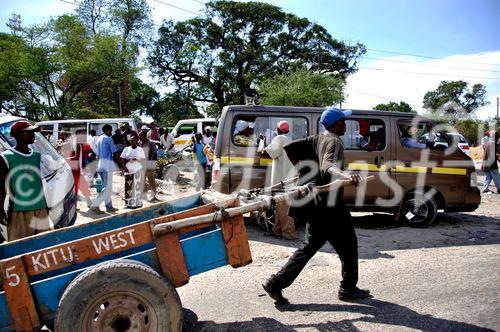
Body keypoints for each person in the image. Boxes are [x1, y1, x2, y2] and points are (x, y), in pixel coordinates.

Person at [262, 107, 370, 305]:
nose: (346, 125)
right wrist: (346, 175)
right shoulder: (334, 142)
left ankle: (276, 283)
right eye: (343, 122)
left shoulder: (316, 138)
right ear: (337, 124)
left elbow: (291, 149)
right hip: (332, 207)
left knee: (309, 247)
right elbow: (327, 165)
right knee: (349, 247)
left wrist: (306, 173)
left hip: (315, 205)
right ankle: (347, 289)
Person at [0, 120, 54, 240]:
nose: (33, 135)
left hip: (40, 209)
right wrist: (0, 210)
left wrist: (45, 206)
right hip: (18, 211)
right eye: (29, 133)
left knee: (45, 244)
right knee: (20, 247)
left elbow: (38, 183)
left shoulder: (36, 156)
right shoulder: (6, 157)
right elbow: (1, 188)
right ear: (19, 135)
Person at [262, 120, 298, 240]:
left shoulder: (279, 139)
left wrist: (263, 146)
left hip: (283, 179)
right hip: (289, 178)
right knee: (280, 206)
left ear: (278, 129)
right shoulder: (290, 139)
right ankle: (277, 230)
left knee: (284, 207)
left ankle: (289, 233)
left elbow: (267, 154)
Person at [90, 124, 125, 214]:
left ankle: (109, 207)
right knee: (107, 188)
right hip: (107, 166)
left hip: (101, 165)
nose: (111, 132)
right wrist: (123, 165)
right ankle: (95, 205)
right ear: (106, 130)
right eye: (110, 130)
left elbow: (97, 153)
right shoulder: (109, 139)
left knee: (106, 187)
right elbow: (115, 154)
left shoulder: (100, 139)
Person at [67, 129, 93, 208]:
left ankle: (87, 202)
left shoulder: (80, 144)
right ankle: (75, 205)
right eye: (83, 135)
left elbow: (82, 155)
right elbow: (73, 157)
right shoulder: (76, 144)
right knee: (77, 187)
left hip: (78, 168)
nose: (85, 136)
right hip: (75, 169)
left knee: (81, 186)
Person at [120, 136, 146, 208]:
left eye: (134, 140)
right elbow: (122, 159)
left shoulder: (140, 149)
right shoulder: (126, 149)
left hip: (137, 170)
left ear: (137, 141)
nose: (132, 142)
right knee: (128, 187)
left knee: (137, 186)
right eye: (131, 140)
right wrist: (124, 167)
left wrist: (136, 159)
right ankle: (128, 203)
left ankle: (138, 203)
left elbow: (143, 160)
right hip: (128, 170)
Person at [139, 131, 158, 202]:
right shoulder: (140, 143)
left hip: (150, 164)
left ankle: (153, 195)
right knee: (142, 180)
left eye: (140, 136)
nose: (139, 138)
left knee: (151, 180)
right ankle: (144, 195)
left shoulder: (151, 143)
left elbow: (155, 154)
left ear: (144, 136)